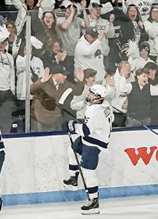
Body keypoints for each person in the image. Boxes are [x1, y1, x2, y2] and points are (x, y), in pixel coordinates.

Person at [65, 84, 111, 215]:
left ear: (97, 97)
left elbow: (85, 131)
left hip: (94, 142)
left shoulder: (94, 110)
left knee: (88, 173)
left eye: (91, 93)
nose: (88, 94)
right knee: (73, 149)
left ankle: (94, 201)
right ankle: (73, 179)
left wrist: (72, 126)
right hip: (94, 136)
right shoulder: (105, 104)